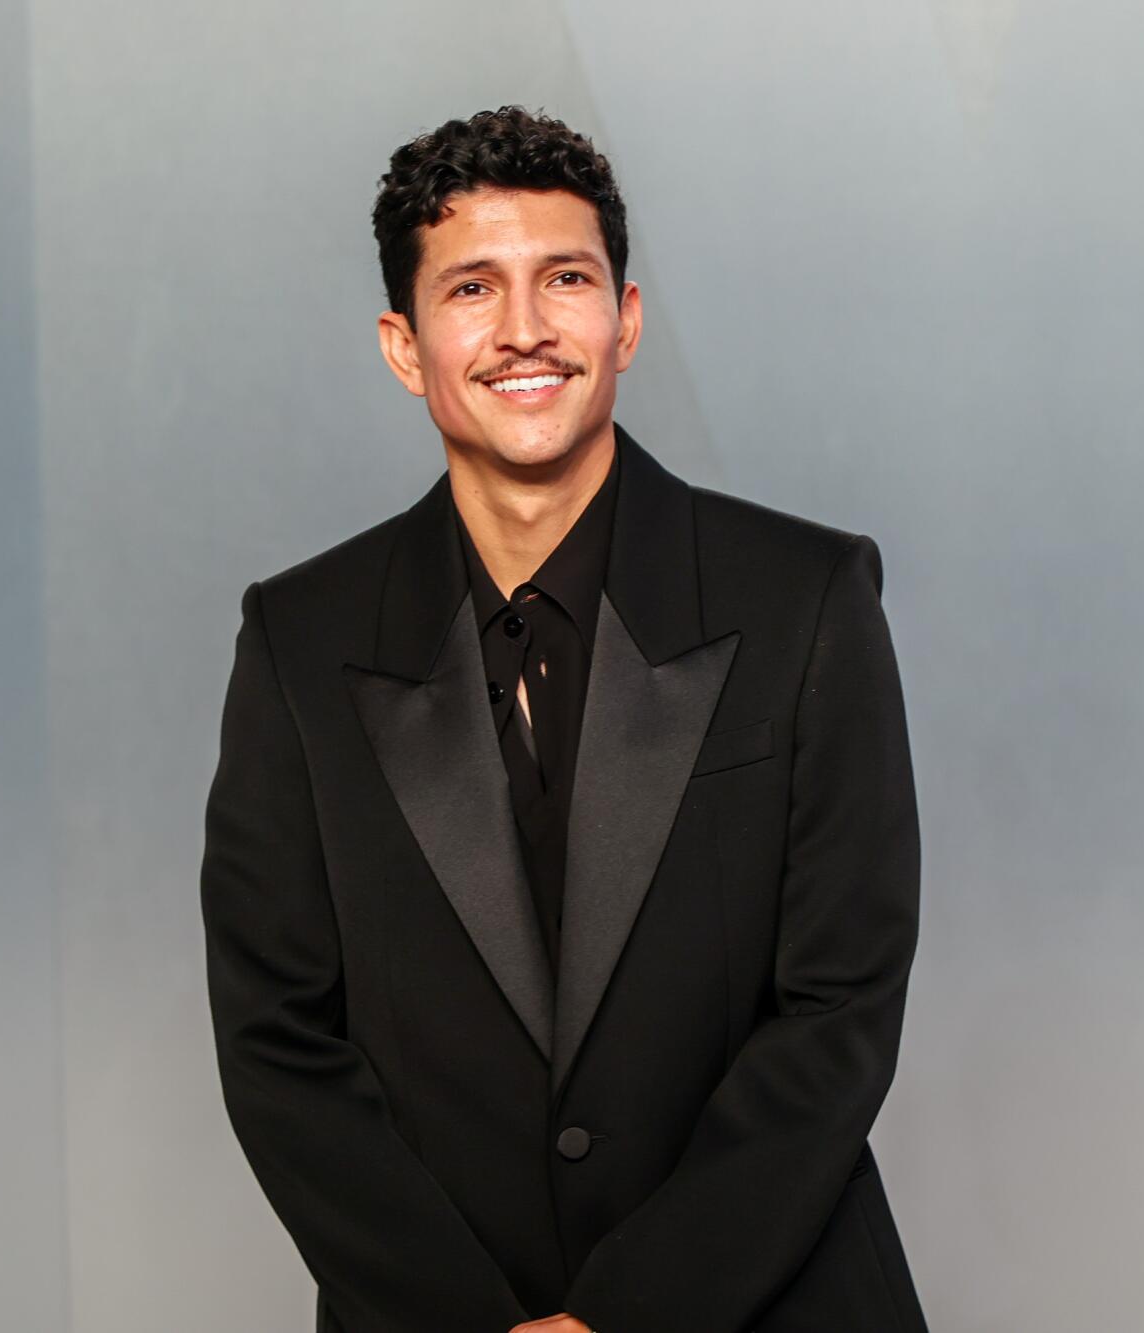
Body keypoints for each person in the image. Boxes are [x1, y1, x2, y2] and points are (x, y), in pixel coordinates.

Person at [200, 105, 927, 1333]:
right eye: (472, 287)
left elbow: (840, 1009)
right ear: (402, 342)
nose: (524, 328)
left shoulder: (806, 598)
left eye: (566, 279)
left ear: (625, 323)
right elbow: (276, 1040)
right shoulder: (299, 639)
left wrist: (626, 1318)